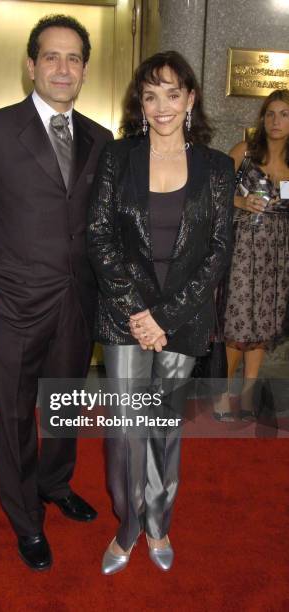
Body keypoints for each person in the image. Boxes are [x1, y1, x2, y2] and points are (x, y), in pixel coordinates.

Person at [0, 14, 113, 571]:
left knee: (63, 407)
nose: (62, 68)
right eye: (51, 57)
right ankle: (25, 518)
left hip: (76, 303)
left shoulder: (100, 137)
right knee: (14, 416)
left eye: (73, 59)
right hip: (15, 303)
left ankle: (56, 484)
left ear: (84, 70)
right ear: (31, 65)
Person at [87, 50, 235, 574]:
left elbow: (219, 251)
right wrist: (137, 311)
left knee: (164, 427)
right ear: (140, 103)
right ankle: (126, 527)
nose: (162, 105)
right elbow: (98, 234)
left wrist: (166, 317)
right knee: (127, 427)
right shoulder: (117, 157)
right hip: (126, 317)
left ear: (191, 99)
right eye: (151, 95)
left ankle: (157, 524)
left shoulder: (218, 168)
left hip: (183, 318)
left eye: (173, 93)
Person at [222, 89, 289, 420]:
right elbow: (210, 190)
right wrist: (239, 202)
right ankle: (222, 395)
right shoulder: (245, 152)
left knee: (262, 324)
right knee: (236, 324)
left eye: (284, 114)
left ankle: (247, 397)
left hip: (277, 256)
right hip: (243, 250)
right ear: (262, 119)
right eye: (271, 114)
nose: (276, 121)